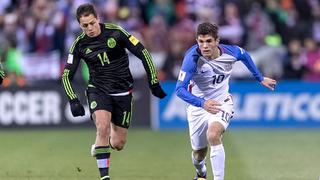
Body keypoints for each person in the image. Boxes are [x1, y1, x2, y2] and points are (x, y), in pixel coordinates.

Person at [61, 3, 166, 180]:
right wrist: (73, 99)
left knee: (118, 144)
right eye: (85, 26)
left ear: (98, 19)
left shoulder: (116, 32)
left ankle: (101, 145)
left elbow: (143, 53)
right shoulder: (79, 45)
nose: (90, 28)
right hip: (98, 90)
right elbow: (66, 76)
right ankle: (105, 177)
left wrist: (153, 82)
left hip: (123, 91)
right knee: (102, 127)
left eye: (92, 23)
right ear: (80, 25)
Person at [175, 22, 277, 180]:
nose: (205, 46)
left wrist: (260, 78)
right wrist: (202, 103)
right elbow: (179, 89)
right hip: (198, 106)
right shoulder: (192, 58)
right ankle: (201, 173)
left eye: (209, 41)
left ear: (217, 41)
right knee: (199, 153)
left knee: (213, 134)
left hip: (222, 102)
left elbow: (244, 55)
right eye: (201, 41)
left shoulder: (231, 52)